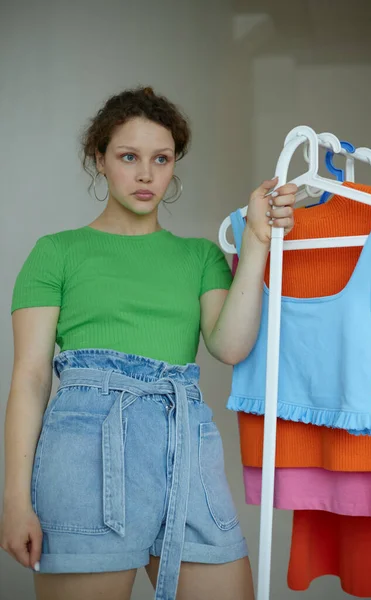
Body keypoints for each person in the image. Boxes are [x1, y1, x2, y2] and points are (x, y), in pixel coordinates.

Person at [0, 86, 296, 600]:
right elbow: (29, 378)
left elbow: (230, 346)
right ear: (99, 159)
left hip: (184, 442)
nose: (145, 175)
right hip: (83, 454)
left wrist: (256, 245)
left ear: (174, 164)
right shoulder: (56, 253)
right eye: (128, 157)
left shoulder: (199, 257)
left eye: (160, 159)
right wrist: (13, 499)